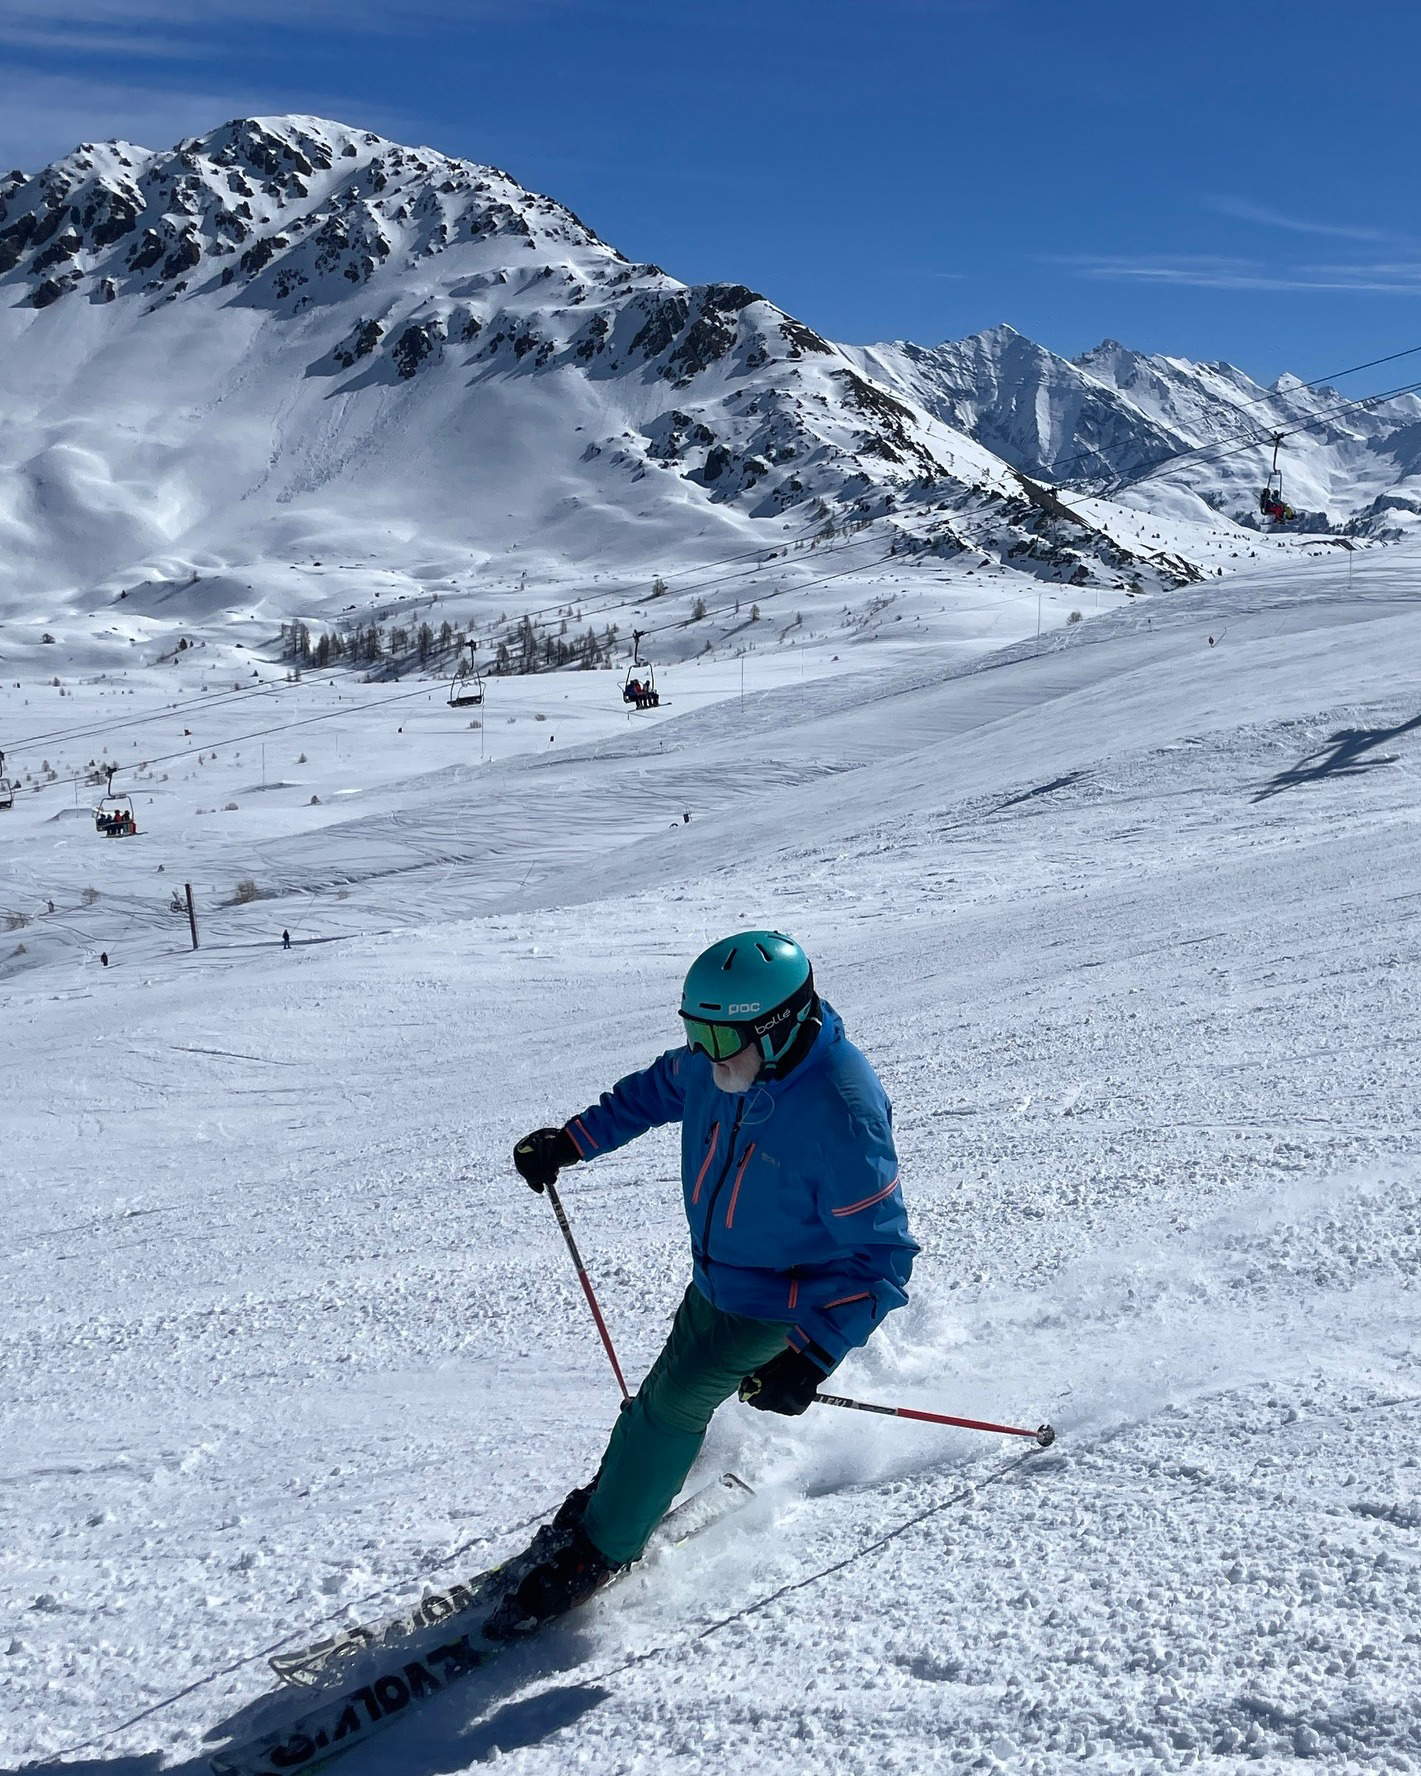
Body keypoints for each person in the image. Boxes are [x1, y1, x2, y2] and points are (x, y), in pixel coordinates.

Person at [494, 930, 916, 1638]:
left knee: (673, 1404)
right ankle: (617, 1497)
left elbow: (881, 1256)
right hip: (716, 1279)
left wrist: (811, 1354)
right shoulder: (722, 1063)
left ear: (778, 1028)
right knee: (656, 1400)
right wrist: (570, 1140)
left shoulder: (840, 1110)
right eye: (696, 1032)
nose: (705, 1053)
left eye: (721, 1039)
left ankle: (602, 1549)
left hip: (784, 1299)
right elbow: (655, 1089)